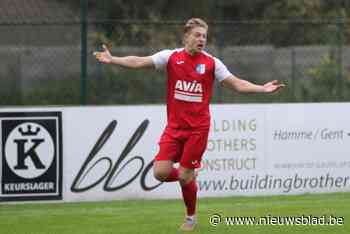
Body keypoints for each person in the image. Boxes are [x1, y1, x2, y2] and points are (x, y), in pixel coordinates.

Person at [94, 18, 284, 231]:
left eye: (204, 36)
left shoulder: (212, 63)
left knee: (184, 176)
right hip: (174, 128)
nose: (201, 39)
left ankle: (190, 217)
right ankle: (190, 174)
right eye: (197, 35)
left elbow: (237, 84)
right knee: (160, 173)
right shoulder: (171, 57)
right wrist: (113, 59)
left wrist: (261, 88)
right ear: (186, 37)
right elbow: (140, 62)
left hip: (197, 130)